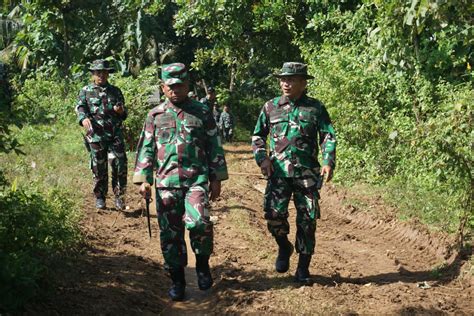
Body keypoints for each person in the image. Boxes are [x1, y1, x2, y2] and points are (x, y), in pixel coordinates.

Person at [133, 63, 228, 301]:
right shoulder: (154, 116)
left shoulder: (202, 113)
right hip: (166, 184)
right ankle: (177, 280)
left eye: (181, 85)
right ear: (163, 87)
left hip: (196, 180)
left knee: (199, 223)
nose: (176, 90)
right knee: (170, 236)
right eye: (171, 86)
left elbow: (214, 145)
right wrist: (143, 180)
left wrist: (216, 178)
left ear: (188, 85)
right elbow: (146, 149)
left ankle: (203, 264)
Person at [251, 62, 336, 284]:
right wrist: (263, 159)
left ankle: (303, 268)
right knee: (273, 215)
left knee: (307, 219)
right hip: (278, 173)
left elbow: (328, 136)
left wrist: (328, 161)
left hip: (306, 173)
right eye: (283, 79)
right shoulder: (270, 107)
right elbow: (258, 136)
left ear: (303, 82)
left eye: (291, 79)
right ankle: (284, 247)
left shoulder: (316, 108)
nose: (285, 83)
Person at [75, 59, 128, 210]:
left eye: (104, 73)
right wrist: (83, 118)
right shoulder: (85, 91)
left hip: (115, 135)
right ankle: (100, 197)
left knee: (120, 164)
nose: (102, 76)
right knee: (99, 167)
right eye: (98, 73)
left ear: (108, 74)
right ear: (93, 74)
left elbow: (124, 113)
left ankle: (120, 197)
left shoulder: (116, 91)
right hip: (96, 135)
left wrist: (121, 111)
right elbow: (80, 107)